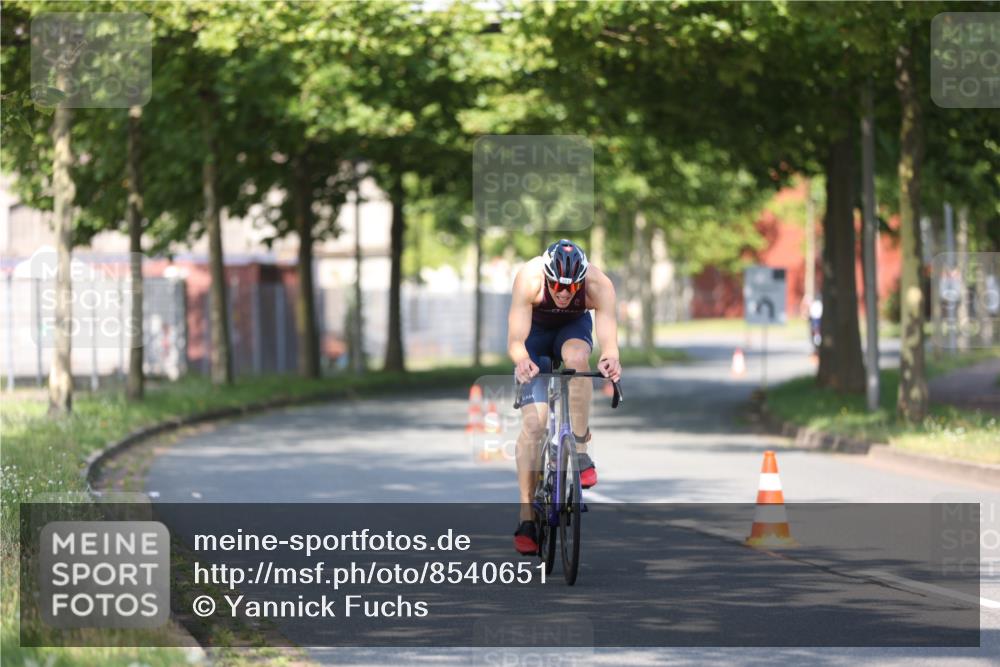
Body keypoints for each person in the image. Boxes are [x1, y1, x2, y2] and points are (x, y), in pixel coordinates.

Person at [507, 239, 621, 554]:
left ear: (582, 280)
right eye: (557, 285)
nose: (563, 293)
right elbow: (515, 341)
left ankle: (580, 449)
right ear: (547, 277)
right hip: (533, 338)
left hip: (572, 329)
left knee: (578, 360)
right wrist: (522, 361)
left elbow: (609, 342)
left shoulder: (599, 285)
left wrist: (610, 358)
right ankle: (527, 515)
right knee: (535, 425)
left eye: (571, 288)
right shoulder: (529, 278)